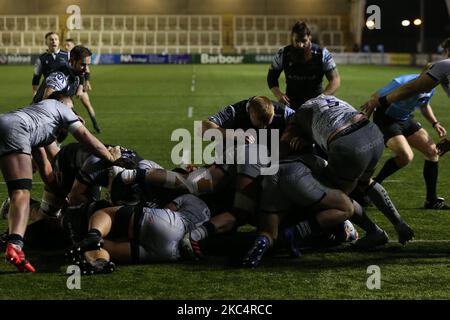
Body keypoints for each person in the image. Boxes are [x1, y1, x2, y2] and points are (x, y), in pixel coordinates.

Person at [0, 99, 121, 272]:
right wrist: (111, 158)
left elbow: (45, 168)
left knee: (17, 193)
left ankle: (15, 240)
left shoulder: (39, 118)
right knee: (21, 193)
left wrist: (59, 194)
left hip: (5, 123)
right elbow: (86, 137)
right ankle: (15, 245)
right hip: (15, 130)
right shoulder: (60, 109)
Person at [282, 94, 414, 248]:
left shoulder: (299, 114)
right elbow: (326, 122)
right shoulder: (327, 97)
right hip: (372, 133)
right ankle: (399, 223)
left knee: (337, 196)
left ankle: (374, 232)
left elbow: (288, 140)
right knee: (365, 182)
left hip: (348, 144)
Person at [242, 154, 357, 268]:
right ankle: (294, 234)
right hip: (295, 176)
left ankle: (263, 240)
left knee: (270, 233)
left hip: (270, 173)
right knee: (346, 208)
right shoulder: (325, 168)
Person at [66, 194, 211, 274]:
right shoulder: (210, 216)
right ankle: (100, 262)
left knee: (105, 213)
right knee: (110, 246)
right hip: (171, 254)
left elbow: (169, 208)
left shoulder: (191, 197)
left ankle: (93, 234)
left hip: (170, 224)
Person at [367, 74, 450, 209]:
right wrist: (365, 124)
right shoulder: (402, 82)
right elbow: (374, 98)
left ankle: (431, 200)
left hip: (405, 119)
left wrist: (435, 123)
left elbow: (424, 105)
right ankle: (371, 188)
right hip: (385, 120)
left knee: (433, 152)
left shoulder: (432, 86)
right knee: (406, 156)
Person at [363, 38, 450, 119]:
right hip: (389, 118)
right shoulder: (404, 81)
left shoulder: (435, 82)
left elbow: (421, 100)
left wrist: (435, 123)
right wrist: (366, 119)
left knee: (423, 135)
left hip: (404, 119)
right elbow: (376, 96)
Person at [267, 21, 340, 110]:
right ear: (291, 39)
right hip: (291, 104)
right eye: (297, 41)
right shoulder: (283, 54)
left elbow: (335, 79)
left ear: (310, 38)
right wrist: (279, 95)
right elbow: (271, 77)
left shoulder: (322, 53)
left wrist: (322, 98)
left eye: (304, 41)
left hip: (317, 105)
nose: (300, 45)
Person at [33, 41, 101, 133]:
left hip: (49, 123)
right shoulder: (60, 76)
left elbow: (66, 102)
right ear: (72, 61)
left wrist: (74, 114)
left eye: (88, 65)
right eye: (83, 64)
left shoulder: (77, 76)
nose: (86, 69)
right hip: (37, 122)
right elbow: (47, 99)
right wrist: (70, 116)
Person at [32, 32, 69, 98]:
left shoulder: (67, 55)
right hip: (47, 91)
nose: (54, 41)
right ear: (46, 42)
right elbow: (36, 77)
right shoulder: (41, 59)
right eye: (51, 39)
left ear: (59, 41)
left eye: (56, 39)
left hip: (63, 91)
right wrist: (35, 92)